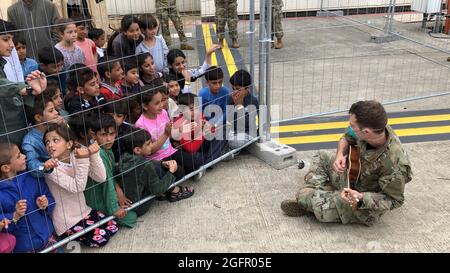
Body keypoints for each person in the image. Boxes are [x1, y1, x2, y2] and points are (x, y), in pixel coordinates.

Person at [281, 100, 413, 226]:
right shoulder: (376, 128)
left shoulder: (395, 164)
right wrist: (340, 155)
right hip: (353, 174)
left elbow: (395, 200)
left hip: (362, 200)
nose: (350, 127)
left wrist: (361, 197)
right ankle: (317, 195)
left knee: (304, 197)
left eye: (352, 126)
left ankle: (315, 200)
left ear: (366, 132)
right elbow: (346, 138)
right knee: (322, 156)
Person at [43, 124, 118, 247]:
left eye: (55, 140)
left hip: (84, 211)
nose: (50, 145)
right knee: (101, 239)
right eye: (47, 142)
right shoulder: (50, 168)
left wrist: (94, 155)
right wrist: (83, 160)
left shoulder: (75, 155)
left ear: (69, 144)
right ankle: (66, 237)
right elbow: (77, 187)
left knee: (113, 226)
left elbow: (100, 177)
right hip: (67, 221)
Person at [0, 142, 57, 253]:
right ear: (6, 168)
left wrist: (44, 205)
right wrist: (15, 215)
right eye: (18, 156)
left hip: (48, 238)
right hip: (23, 247)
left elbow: (50, 199)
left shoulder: (32, 176)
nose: (24, 156)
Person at [84, 114, 137, 228]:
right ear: (93, 135)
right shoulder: (99, 154)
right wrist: (115, 208)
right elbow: (106, 183)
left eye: (112, 134)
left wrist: (118, 190)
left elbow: (111, 176)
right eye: (103, 134)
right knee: (133, 216)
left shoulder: (107, 150)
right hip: (98, 199)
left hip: (109, 192)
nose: (109, 139)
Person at [0, 19, 47, 146]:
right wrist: (27, 89)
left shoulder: (4, 62)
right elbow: (2, 84)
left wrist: (30, 87)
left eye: (11, 39)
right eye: (6, 39)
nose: (11, 45)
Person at [22, 97, 64, 178]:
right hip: (53, 177)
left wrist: (64, 127)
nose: (56, 112)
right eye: (51, 111)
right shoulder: (30, 141)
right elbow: (32, 168)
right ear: (38, 117)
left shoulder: (58, 126)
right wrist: (44, 166)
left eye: (55, 109)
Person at [227, 69, 259, 149]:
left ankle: (231, 151)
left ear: (247, 88)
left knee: (236, 141)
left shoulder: (253, 101)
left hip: (247, 133)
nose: (235, 92)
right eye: (233, 88)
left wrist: (239, 106)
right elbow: (228, 119)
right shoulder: (231, 98)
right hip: (232, 131)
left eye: (238, 89)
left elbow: (247, 124)